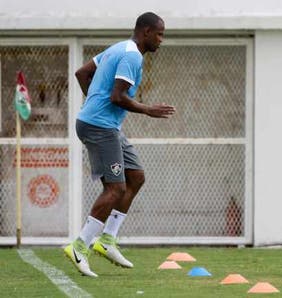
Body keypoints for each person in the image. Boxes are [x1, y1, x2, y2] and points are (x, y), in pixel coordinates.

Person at [64, 12, 175, 277]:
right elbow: (117, 96)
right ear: (146, 31)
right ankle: (80, 246)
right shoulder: (132, 55)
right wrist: (148, 109)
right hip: (99, 127)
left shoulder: (118, 47)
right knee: (115, 188)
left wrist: (93, 103)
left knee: (136, 177)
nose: (161, 40)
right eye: (159, 34)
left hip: (105, 125)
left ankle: (108, 240)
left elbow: (82, 73)